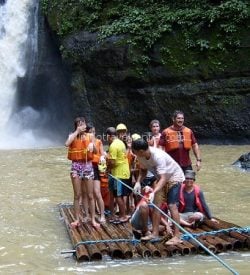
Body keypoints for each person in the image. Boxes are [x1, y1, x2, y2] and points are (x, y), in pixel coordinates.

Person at [132, 138, 185, 245]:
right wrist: (138, 182)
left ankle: (177, 236)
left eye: (134, 151)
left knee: (172, 205)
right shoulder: (140, 156)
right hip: (161, 179)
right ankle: (154, 233)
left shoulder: (158, 156)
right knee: (156, 205)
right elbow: (143, 171)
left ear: (141, 151)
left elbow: (164, 178)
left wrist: (153, 191)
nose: (133, 153)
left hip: (174, 177)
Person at [65, 117, 99, 228]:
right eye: (79, 124)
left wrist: (92, 146)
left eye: (83, 124)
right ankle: (77, 219)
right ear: (76, 126)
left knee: (90, 195)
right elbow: (67, 143)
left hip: (87, 166)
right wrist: (76, 132)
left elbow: (96, 151)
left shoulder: (90, 136)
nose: (82, 126)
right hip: (76, 166)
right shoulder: (72, 135)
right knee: (77, 195)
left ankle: (93, 219)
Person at [106, 127, 130, 223]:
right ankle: (113, 215)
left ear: (109, 136)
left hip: (119, 174)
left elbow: (112, 162)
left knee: (118, 196)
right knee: (115, 194)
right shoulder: (120, 142)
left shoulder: (113, 146)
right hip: (121, 172)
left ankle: (123, 216)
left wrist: (107, 169)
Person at [87, 124, 106, 223]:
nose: (92, 133)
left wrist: (104, 157)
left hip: (95, 168)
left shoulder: (98, 142)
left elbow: (102, 154)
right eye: (90, 131)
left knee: (97, 192)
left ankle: (102, 215)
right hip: (87, 167)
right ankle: (91, 215)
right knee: (89, 194)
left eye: (93, 131)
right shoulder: (84, 141)